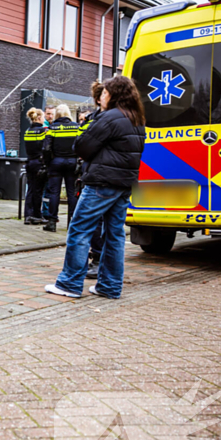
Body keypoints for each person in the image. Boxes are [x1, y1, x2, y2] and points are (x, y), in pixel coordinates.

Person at [45, 76, 147, 299]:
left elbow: (81, 146)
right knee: (115, 235)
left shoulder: (109, 118)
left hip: (101, 182)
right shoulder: (136, 118)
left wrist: (94, 122)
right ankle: (109, 287)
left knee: (80, 230)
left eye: (104, 92)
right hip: (123, 184)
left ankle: (69, 284)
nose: (101, 96)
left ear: (114, 94)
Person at [79, 82, 106, 279]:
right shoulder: (93, 120)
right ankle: (98, 260)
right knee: (100, 222)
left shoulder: (96, 120)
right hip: (95, 174)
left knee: (93, 221)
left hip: (99, 175)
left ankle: (98, 260)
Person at [41, 104, 80, 232]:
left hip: (56, 162)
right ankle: (72, 223)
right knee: (72, 193)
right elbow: (81, 145)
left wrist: (48, 163)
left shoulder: (53, 128)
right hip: (72, 162)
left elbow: (46, 148)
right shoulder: (76, 127)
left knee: (54, 193)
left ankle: (52, 222)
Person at [22, 107, 47, 225]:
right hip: (39, 163)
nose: (44, 119)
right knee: (38, 190)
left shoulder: (27, 131)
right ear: (39, 118)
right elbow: (44, 148)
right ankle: (37, 215)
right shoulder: (43, 131)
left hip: (29, 162)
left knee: (30, 189)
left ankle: (27, 215)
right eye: (43, 117)